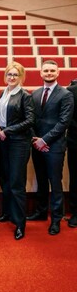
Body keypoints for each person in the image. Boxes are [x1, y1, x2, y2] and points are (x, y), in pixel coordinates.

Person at [27, 60, 74, 235]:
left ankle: (56, 219)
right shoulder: (35, 93)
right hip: (37, 145)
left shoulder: (66, 94)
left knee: (55, 183)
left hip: (54, 146)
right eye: (46, 70)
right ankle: (40, 212)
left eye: (52, 70)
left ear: (58, 72)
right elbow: (31, 119)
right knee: (41, 180)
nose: (49, 73)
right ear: (41, 73)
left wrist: (45, 140)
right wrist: (36, 140)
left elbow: (64, 122)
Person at [0, 62, 35, 240]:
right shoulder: (4, 92)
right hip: (3, 140)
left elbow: (30, 120)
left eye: (15, 75)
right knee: (5, 178)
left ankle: (20, 223)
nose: (11, 77)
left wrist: (8, 130)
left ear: (21, 77)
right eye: (9, 74)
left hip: (18, 142)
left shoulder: (25, 95)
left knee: (17, 182)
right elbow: (0, 116)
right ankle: (7, 213)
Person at [67, 79, 77, 228]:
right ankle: (75, 212)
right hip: (76, 139)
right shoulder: (71, 90)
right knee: (75, 177)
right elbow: (67, 117)